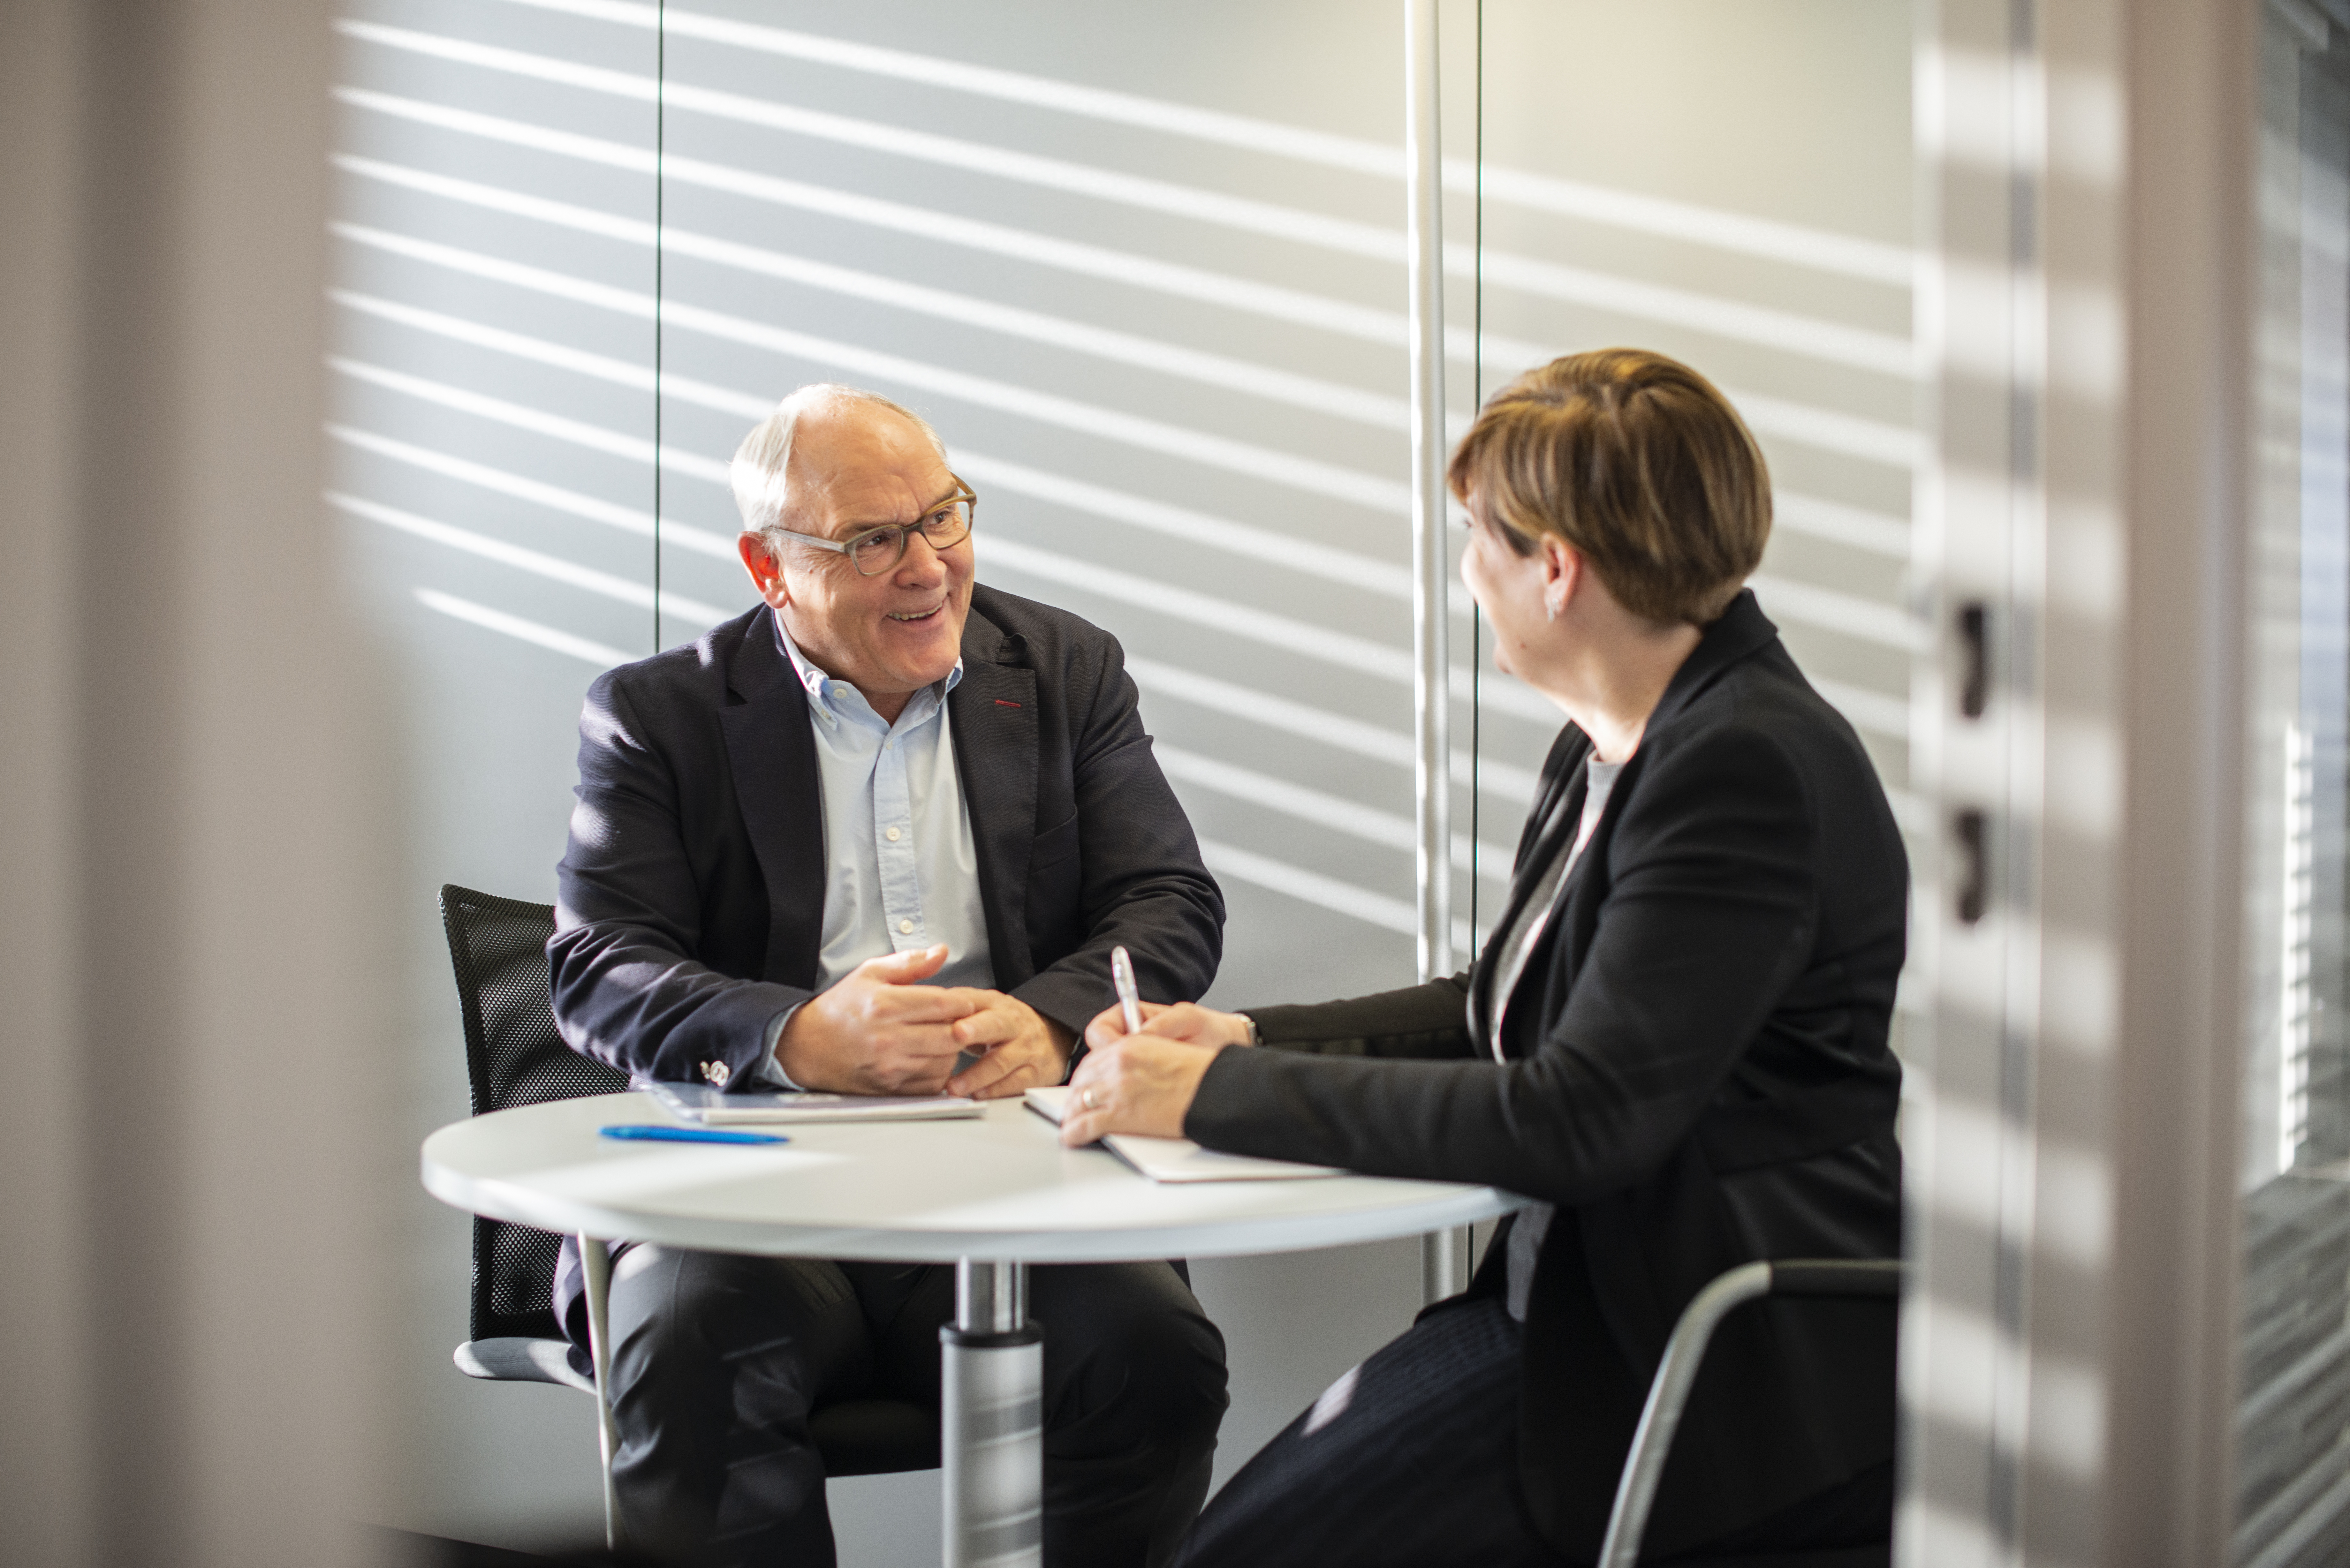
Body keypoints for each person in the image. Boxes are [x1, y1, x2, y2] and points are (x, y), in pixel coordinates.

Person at [1062, 350, 1907, 1567]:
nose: (1469, 573)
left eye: (1479, 540)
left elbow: (1581, 1117)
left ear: (1555, 568)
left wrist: (1209, 1099)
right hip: (1573, 1307)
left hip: (1704, 1360)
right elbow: (1511, 1010)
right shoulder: (1620, 743)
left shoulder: (1742, 769)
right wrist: (1249, 1039)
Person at [547, 384, 1231, 1567]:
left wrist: (1047, 1022)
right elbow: (597, 966)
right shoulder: (659, 715)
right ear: (771, 570)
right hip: (751, 1192)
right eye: (874, 540)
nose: (929, 567)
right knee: (686, 1348)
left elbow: (1167, 903)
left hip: (1014, 1179)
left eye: (945, 518)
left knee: (1151, 1357)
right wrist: (798, 1035)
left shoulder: (1065, 669)